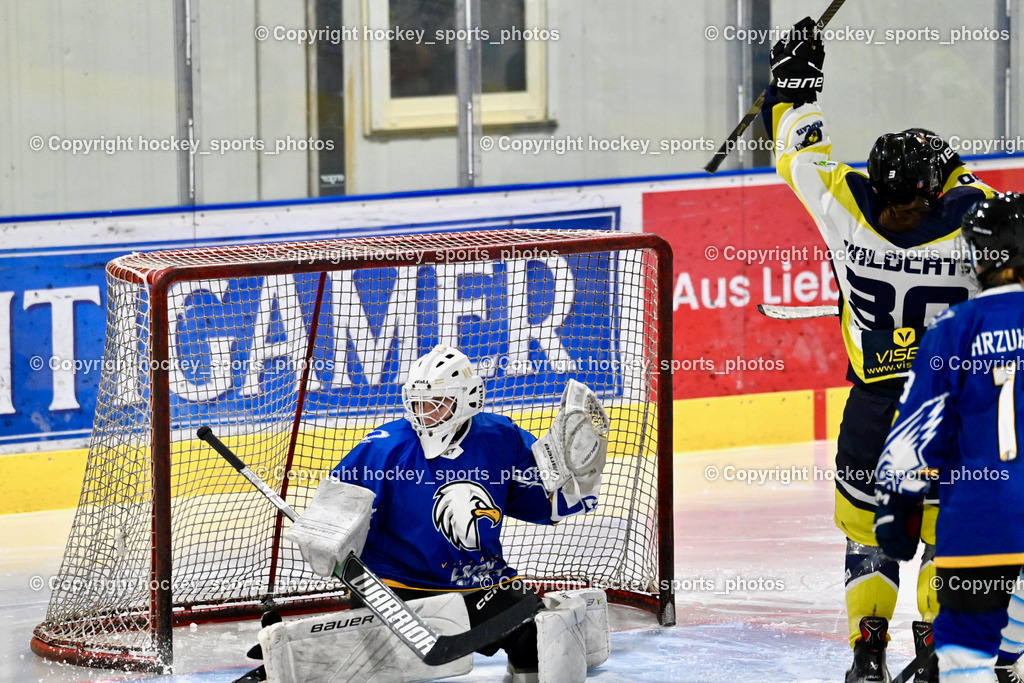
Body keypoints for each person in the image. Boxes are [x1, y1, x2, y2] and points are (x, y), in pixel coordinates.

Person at [761, 18, 998, 683]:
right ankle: (934, 649)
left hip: (874, 410)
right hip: (951, 415)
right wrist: (950, 165)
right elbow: (975, 194)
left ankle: (867, 654)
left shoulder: (844, 203)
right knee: (944, 539)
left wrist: (793, 80)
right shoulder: (972, 225)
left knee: (869, 537)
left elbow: (795, 147)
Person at [246, 344, 611, 683]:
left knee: (538, 642)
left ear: (468, 399)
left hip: (481, 582)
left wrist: (577, 481)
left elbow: (546, 504)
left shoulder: (502, 438)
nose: (425, 414)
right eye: (418, 403)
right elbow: (335, 509)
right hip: (396, 588)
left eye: (437, 403)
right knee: (365, 662)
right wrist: (326, 535)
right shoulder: (385, 447)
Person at [874, 193, 1024, 683]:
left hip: (982, 522)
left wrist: (898, 505)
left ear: (980, 257)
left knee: (964, 658)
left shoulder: (954, 328)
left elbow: (915, 436)